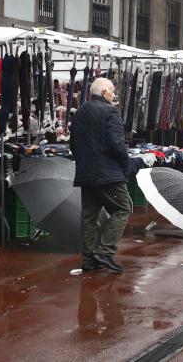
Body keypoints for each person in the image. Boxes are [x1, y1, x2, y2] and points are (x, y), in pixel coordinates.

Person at [71, 77, 135, 273]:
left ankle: (89, 259)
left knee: (89, 216)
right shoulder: (110, 111)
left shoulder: (79, 112)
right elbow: (117, 144)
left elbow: (73, 144)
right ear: (105, 93)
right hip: (108, 173)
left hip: (86, 173)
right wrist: (127, 165)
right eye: (112, 92)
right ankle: (105, 252)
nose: (114, 95)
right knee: (124, 208)